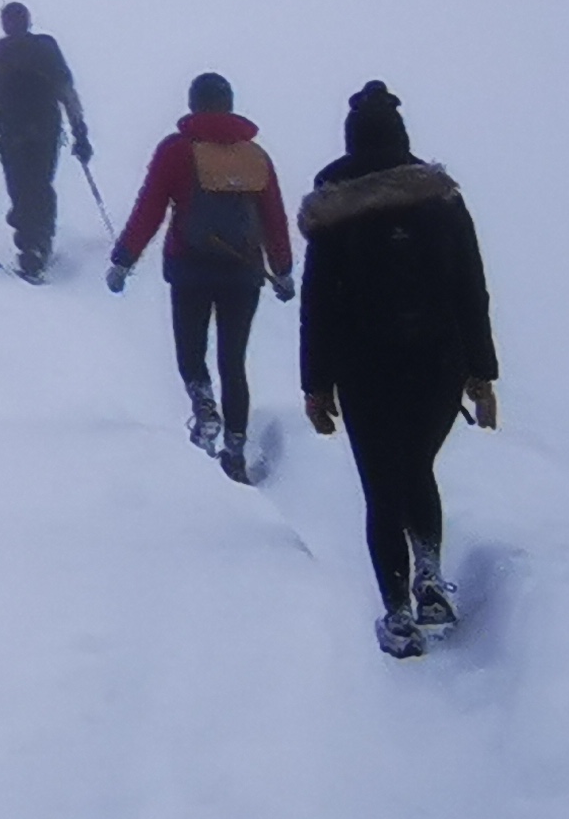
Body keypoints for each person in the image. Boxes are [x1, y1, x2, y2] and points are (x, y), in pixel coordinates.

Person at [295, 80, 500, 660]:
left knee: (381, 487)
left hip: (365, 367)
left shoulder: (334, 207)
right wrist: (482, 374)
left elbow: (318, 303)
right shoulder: (441, 198)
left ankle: (398, 613)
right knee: (415, 470)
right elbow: (471, 289)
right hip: (439, 360)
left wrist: (316, 385)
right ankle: (430, 575)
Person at [106, 72, 292, 478]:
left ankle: (204, 406)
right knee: (234, 360)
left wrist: (123, 259)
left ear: (193, 104)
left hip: (189, 267)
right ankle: (236, 451)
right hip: (243, 272)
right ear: (229, 103)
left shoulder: (176, 151)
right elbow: (273, 215)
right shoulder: (254, 155)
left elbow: (150, 208)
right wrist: (283, 269)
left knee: (191, 352)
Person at [0, 1, 93, 283]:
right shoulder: (43, 49)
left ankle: (31, 243)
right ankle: (37, 240)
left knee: (24, 185)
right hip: (42, 129)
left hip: (14, 131)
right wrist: (78, 129)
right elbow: (66, 92)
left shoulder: (0, 53)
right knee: (36, 184)